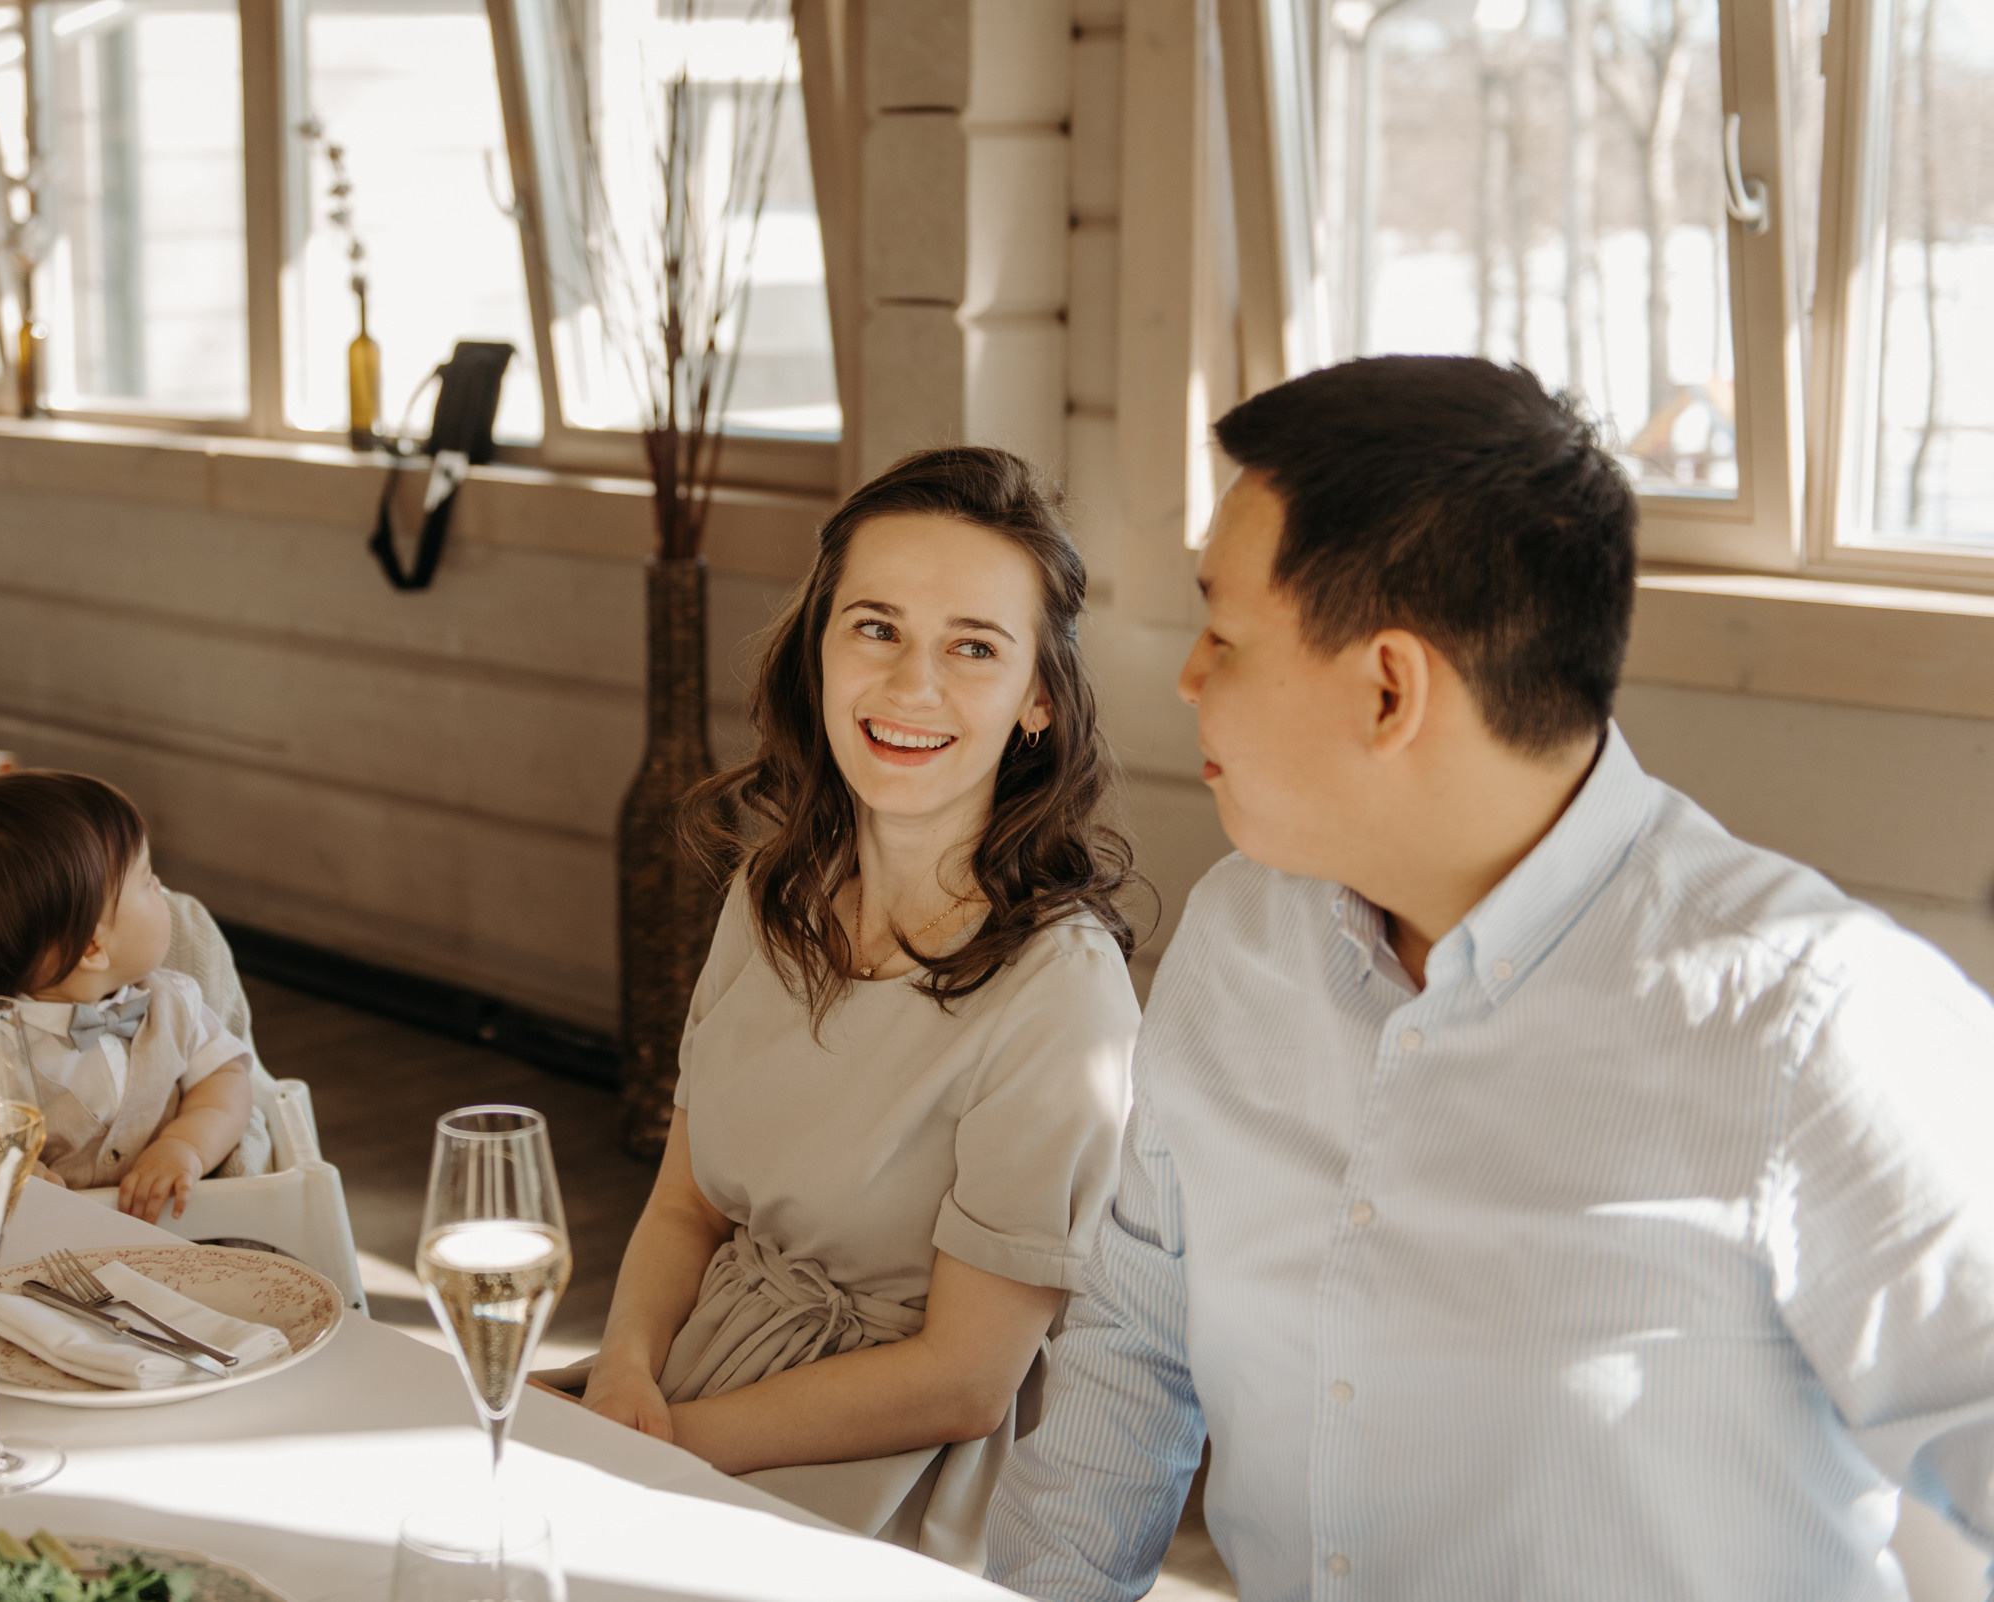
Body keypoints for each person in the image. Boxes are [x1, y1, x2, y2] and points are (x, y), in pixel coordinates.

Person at [986, 355, 1994, 1600]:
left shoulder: (1816, 1025)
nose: (1190, 676)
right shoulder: (1238, 938)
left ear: (1391, 688)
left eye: (1224, 632)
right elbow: (1135, 1354)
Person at [569, 446, 1143, 1570]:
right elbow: (686, 1205)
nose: (910, 687)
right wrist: (623, 1372)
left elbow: (966, 1381)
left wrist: (668, 1445)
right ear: (819, 649)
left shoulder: (1060, 993)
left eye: (972, 648)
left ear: (1038, 695)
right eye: (875, 628)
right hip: (668, 1404)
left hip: (870, 1496)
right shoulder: (769, 892)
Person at [0, 771, 257, 1225]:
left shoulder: (174, 1000)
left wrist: (185, 1145)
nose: (161, 887)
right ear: (92, 949)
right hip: (46, 1249)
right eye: (146, 880)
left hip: (175, 1232)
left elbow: (226, 1080)